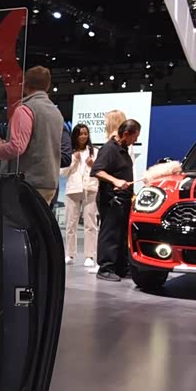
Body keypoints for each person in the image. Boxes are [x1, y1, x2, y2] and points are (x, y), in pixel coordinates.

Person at [0, 66, 63, 205]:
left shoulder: (25, 110)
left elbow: (16, 148)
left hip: (27, 184)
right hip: (49, 183)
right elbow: (38, 145)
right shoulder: (55, 112)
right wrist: (3, 143)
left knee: (17, 219)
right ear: (47, 86)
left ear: (25, 85)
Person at [90, 119, 141, 282]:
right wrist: (115, 181)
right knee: (110, 233)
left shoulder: (123, 150)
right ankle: (105, 268)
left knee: (121, 234)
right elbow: (96, 170)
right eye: (134, 137)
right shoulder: (109, 149)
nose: (135, 141)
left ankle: (120, 267)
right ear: (126, 134)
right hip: (111, 199)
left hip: (123, 200)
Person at [61, 123, 99, 267]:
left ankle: (90, 256)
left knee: (90, 223)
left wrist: (93, 165)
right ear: (75, 136)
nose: (83, 136)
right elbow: (62, 173)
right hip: (73, 190)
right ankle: (70, 254)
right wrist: (73, 160)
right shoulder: (69, 153)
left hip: (90, 189)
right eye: (80, 134)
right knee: (71, 223)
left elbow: (101, 171)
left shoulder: (95, 151)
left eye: (85, 133)